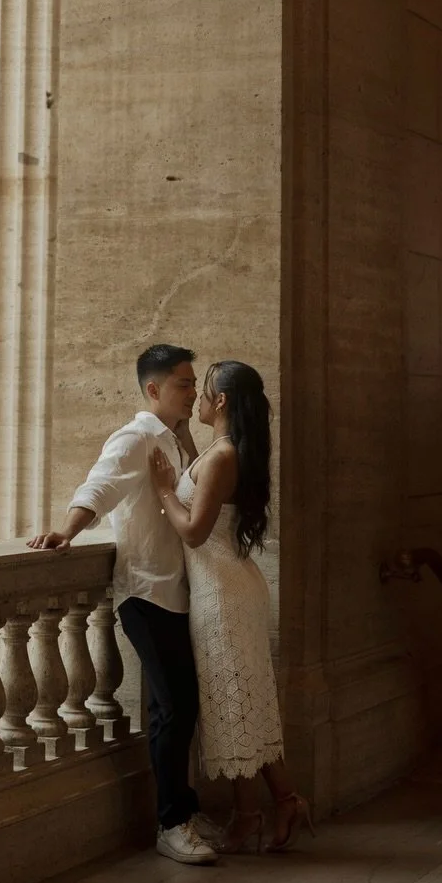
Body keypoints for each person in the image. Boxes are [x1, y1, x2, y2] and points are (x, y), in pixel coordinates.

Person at [28, 344, 217, 865]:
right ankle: (172, 823)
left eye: (195, 383)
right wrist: (66, 530)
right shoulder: (135, 438)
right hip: (146, 593)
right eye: (184, 384)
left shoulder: (173, 441)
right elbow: (100, 485)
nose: (193, 392)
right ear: (153, 390)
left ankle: (182, 810)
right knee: (176, 708)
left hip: (175, 591)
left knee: (172, 709)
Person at [149, 359, 313, 853]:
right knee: (243, 705)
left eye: (202, 393)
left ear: (219, 403)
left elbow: (196, 532)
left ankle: (259, 811)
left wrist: (162, 491)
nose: (195, 398)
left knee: (236, 705)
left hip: (222, 595)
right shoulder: (222, 451)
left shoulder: (222, 457)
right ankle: (273, 805)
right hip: (228, 588)